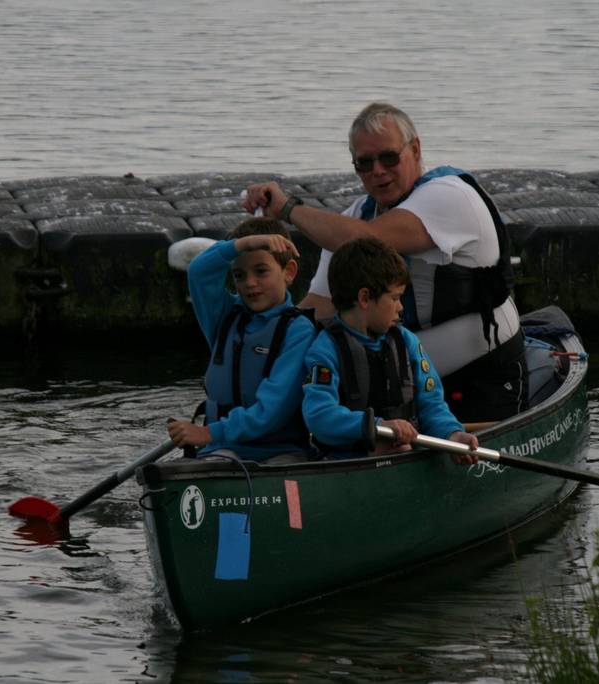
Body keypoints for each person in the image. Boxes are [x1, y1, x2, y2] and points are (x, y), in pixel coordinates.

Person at [243, 101, 527, 422]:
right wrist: (262, 349)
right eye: (364, 163)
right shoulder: (352, 218)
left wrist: (287, 209)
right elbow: (317, 308)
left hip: (482, 378)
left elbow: (366, 240)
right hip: (400, 384)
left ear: (416, 149)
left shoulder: (450, 195)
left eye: (389, 157)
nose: (378, 171)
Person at [302, 236, 479, 463]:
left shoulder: (407, 342)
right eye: (395, 298)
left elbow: (432, 404)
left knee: (407, 447)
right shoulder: (325, 350)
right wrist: (378, 427)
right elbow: (319, 416)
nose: (401, 307)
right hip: (349, 460)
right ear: (365, 298)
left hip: (404, 451)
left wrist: (451, 433)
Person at [166, 217, 316, 463]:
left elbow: (273, 409)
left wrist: (207, 432)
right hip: (222, 448)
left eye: (261, 271)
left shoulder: (299, 331)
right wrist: (240, 245)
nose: (250, 283)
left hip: (279, 452)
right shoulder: (224, 316)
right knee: (212, 466)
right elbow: (198, 272)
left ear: (288, 272)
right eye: (239, 275)